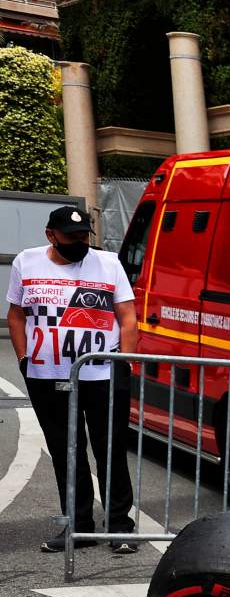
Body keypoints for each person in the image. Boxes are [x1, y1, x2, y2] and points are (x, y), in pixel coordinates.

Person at [7, 205, 138, 553]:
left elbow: (127, 316)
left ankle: (121, 528)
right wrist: (23, 359)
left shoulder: (108, 263)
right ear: (51, 235)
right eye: (71, 236)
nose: (80, 242)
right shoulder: (26, 262)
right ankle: (78, 527)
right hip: (46, 376)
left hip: (103, 373)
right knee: (67, 451)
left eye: (84, 236)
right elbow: (16, 315)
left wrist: (124, 362)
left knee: (110, 449)